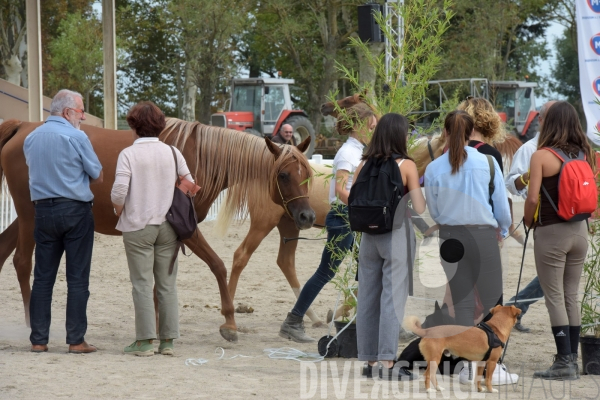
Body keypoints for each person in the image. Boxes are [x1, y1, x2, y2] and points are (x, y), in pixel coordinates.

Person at [279, 102, 377, 342]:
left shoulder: (360, 151)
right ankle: (293, 320)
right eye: (372, 126)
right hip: (344, 217)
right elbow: (342, 190)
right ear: (360, 126)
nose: (374, 131)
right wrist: (364, 206)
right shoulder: (348, 153)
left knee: (365, 269)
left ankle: (366, 319)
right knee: (326, 271)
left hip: (354, 217)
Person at [111, 101, 194, 356]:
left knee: (142, 284)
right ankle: (167, 341)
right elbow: (190, 184)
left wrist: (118, 209)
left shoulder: (128, 154)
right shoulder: (172, 152)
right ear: (160, 125)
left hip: (138, 226)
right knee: (167, 284)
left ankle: (145, 341)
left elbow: (119, 191)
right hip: (168, 225)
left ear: (133, 125)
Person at [25, 89, 103, 354]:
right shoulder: (77, 136)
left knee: (43, 278)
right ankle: (75, 340)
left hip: (43, 211)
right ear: (68, 112)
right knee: (78, 279)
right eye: (81, 112)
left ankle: (38, 340)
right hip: (75, 210)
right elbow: (97, 174)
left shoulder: (31, 138)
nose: (82, 117)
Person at [524, 101, 594, 380]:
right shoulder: (583, 153)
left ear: (549, 123)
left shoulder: (542, 156)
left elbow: (531, 198)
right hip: (580, 231)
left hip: (552, 232)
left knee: (554, 297)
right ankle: (573, 360)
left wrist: (528, 222)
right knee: (570, 296)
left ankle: (564, 362)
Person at [355, 113, 426, 380]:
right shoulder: (406, 164)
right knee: (392, 300)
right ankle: (387, 363)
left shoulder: (362, 165)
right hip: (395, 234)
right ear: (399, 135)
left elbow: (353, 197)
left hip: (368, 238)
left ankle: (369, 362)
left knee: (368, 298)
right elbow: (419, 206)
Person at [424, 110, 511, 326]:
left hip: (450, 237)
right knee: (492, 302)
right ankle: (490, 357)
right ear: (471, 132)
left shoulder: (433, 168)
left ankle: (465, 357)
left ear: (444, 132)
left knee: (461, 303)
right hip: (482, 236)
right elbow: (500, 205)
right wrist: (504, 229)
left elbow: (434, 211)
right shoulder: (488, 163)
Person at [504, 101, 556, 333]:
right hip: (543, 218)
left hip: (564, 220)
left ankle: (516, 306)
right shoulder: (528, 149)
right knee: (552, 274)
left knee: (553, 274)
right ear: (542, 121)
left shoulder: (566, 147)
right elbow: (512, 183)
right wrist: (529, 184)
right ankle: (516, 306)